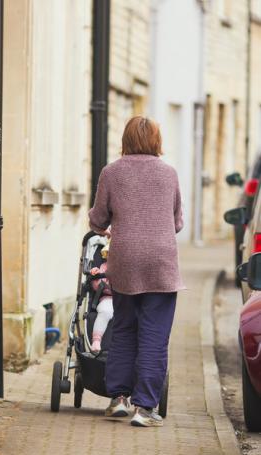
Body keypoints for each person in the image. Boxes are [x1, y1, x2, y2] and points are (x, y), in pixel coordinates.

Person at [88, 116, 184, 428]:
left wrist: (105, 224)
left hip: (125, 259)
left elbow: (98, 220)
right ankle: (144, 407)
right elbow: (177, 222)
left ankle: (117, 398)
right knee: (155, 334)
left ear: (125, 141)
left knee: (125, 327)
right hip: (161, 261)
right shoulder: (168, 174)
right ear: (157, 141)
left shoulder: (111, 172)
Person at [90, 240, 113, 353]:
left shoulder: (127, 267)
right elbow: (98, 287)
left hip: (127, 299)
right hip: (108, 298)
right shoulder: (104, 266)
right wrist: (97, 276)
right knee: (105, 311)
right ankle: (96, 341)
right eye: (109, 253)